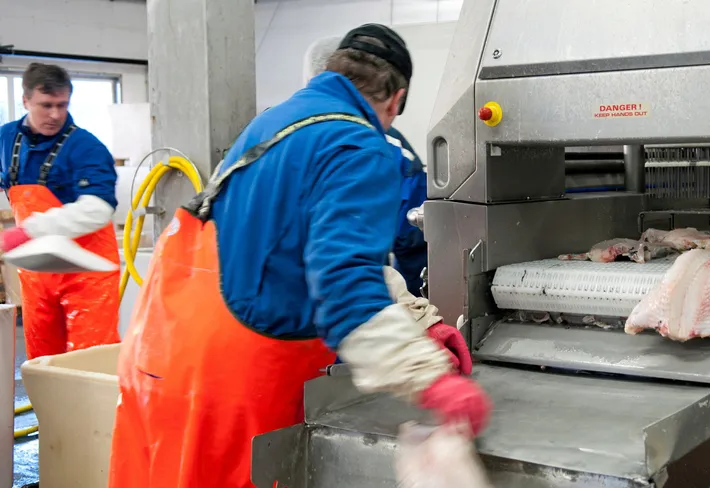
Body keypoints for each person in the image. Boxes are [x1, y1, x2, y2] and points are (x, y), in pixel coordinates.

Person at [108, 24, 491, 488]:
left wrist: (418, 319)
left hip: (162, 355)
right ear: (395, 99)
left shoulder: (273, 123)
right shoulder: (360, 147)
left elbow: (307, 250)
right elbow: (343, 283)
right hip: (237, 376)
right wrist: (431, 380)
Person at [0, 63, 120, 359]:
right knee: (43, 360)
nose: (55, 114)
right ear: (26, 101)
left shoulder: (86, 148)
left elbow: (97, 209)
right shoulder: (5, 139)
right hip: (37, 273)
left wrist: (27, 231)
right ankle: (47, 408)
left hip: (87, 276)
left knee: (89, 362)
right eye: (46, 105)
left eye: (62, 105)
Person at [305, 36, 428, 296]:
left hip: (226, 314)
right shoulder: (387, 152)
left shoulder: (267, 129)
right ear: (395, 101)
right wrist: (420, 315)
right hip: (335, 317)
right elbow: (414, 242)